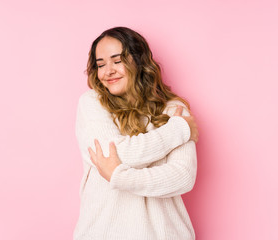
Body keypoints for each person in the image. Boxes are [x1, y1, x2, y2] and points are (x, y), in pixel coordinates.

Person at [74, 26, 199, 240]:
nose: (108, 71)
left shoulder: (174, 110)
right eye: (101, 64)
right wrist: (178, 130)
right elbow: (118, 153)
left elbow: (183, 177)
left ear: (138, 61)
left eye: (117, 60)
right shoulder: (92, 103)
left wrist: (119, 177)